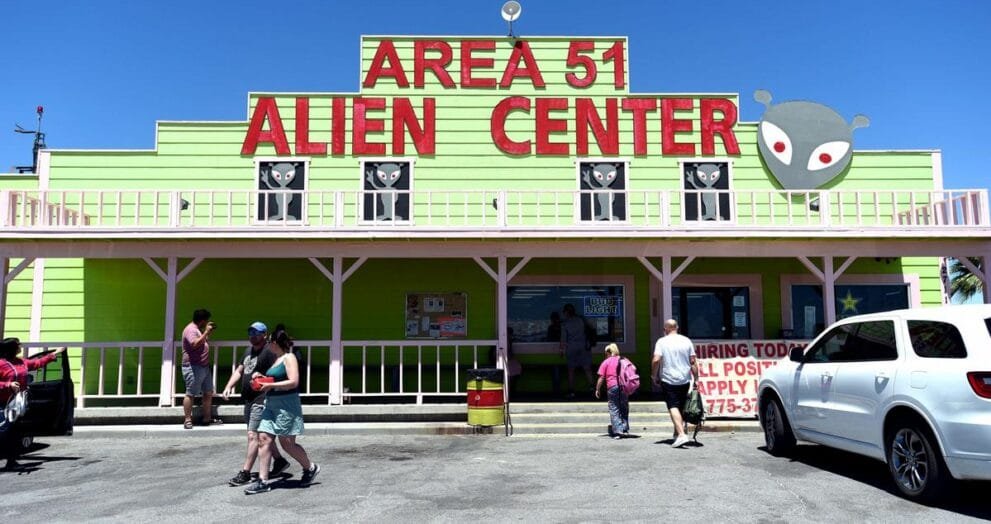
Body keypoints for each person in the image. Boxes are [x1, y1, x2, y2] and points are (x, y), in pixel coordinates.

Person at [244, 326, 320, 495]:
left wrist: (269, 385)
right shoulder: (276, 359)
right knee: (263, 438)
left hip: (287, 405)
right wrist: (261, 378)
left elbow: (293, 382)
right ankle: (263, 481)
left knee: (287, 444)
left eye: (269, 341)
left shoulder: (289, 357)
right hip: (271, 404)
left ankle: (310, 467)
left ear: (275, 342)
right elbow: (274, 379)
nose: (267, 344)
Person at [221, 321, 289, 486]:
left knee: (253, 435)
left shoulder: (269, 352)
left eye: (257, 333)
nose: (253, 336)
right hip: (248, 399)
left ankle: (245, 472)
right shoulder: (248, 351)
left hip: (262, 398)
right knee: (259, 434)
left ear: (264, 335)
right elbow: (240, 370)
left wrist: (265, 380)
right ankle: (279, 461)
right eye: (251, 333)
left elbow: (279, 372)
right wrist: (229, 386)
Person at [0, 338, 66, 470]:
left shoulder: (21, 362)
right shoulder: (1, 364)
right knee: (4, 431)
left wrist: (55, 354)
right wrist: (8, 385)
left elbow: (37, 363)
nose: (20, 347)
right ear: (12, 348)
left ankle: (11, 462)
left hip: (17, 404)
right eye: (18, 345)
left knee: (15, 432)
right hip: (2, 404)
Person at [651, 319, 700, 448]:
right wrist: (696, 378)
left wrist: (654, 375)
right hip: (684, 379)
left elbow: (656, 360)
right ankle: (677, 433)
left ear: (665, 329)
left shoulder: (662, 342)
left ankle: (682, 434)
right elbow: (693, 361)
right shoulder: (686, 341)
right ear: (677, 328)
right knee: (681, 407)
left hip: (669, 379)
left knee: (672, 406)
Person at [181, 308, 221, 429]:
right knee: (190, 393)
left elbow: (202, 342)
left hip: (204, 366)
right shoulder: (191, 330)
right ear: (202, 320)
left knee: (208, 392)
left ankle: (207, 418)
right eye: (206, 320)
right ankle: (187, 420)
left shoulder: (198, 330)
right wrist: (206, 332)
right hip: (193, 366)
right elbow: (194, 344)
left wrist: (206, 333)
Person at [559, 303, 595, 399]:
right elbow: (591, 328)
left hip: (571, 348)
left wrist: (562, 350)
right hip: (584, 346)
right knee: (587, 369)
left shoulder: (565, 323)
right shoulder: (582, 320)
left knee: (571, 370)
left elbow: (563, 339)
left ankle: (571, 392)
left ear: (566, 312)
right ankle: (593, 390)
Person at [594, 343, 629, 440]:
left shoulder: (606, 362)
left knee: (614, 408)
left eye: (606, 353)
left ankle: (618, 431)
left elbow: (601, 377)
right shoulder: (623, 360)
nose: (605, 355)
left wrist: (597, 389)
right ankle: (625, 429)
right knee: (624, 407)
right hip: (624, 386)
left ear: (609, 352)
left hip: (612, 386)